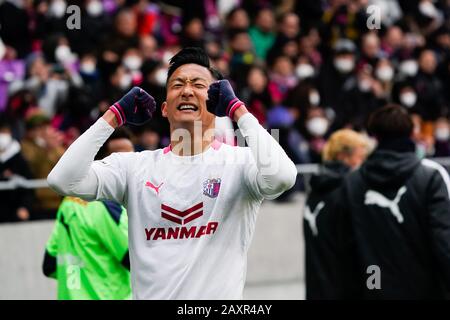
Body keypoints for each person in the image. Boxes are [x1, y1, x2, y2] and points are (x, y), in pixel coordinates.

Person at [47, 47, 297, 299]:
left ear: (217, 102)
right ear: (165, 108)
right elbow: (63, 180)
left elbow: (283, 176)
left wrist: (238, 110)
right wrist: (114, 116)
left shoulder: (239, 163)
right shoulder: (133, 167)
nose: (187, 90)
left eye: (199, 84)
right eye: (177, 84)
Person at [340, 104, 450, 299]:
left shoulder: (352, 182)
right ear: (411, 133)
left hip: (374, 289)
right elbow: (443, 240)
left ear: (374, 136)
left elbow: (345, 246)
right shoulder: (430, 177)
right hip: (424, 290)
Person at [42, 128, 134, 300]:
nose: (130, 164)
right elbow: (134, 259)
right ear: (103, 162)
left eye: (132, 156)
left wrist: (78, 281)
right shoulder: (106, 206)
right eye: (121, 158)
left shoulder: (68, 202)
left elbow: (50, 264)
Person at [304, 129, 370, 299]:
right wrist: (375, 288)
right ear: (343, 156)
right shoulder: (351, 192)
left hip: (317, 290)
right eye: (360, 158)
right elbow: (364, 250)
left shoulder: (315, 192)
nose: (362, 164)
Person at [0, 115, 35, 222]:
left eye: (4, 131)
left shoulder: (18, 156)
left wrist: (25, 207)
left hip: (15, 214)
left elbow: (29, 184)